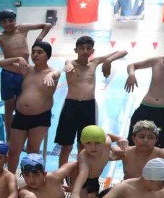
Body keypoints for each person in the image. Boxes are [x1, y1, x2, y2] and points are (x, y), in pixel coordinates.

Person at [55, 36, 128, 166]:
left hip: (88, 107)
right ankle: (61, 175)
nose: (85, 51)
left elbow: (123, 51)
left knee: (84, 145)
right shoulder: (70, 63)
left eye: (88, 48)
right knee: (66, 146)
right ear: (76, 50)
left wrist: (108, 61)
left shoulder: (94, 63)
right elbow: (68, 63)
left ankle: (80, 173)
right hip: (71, 106)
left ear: (92, 51)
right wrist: (68, 65)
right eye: (82, 48)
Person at [0, 10, 52, 136]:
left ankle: (20, 133)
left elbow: (47, 25)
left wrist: (39, 39)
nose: (8, 24)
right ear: (0, 24)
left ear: (15, 21)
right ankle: (9, 136)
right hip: (9, 73)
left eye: (11, 20)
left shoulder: (22, 28)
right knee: (9, 108)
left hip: (24, 74)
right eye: (4, 22)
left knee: (21, 107)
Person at [4, 41, 60, 172]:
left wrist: (49, 75)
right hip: (20, 116)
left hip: (40, 117)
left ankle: (32, 181)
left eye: (40, 52)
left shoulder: (52, 72)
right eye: (33, 52)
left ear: (48, 55)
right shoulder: (26, 69)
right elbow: (1, 64)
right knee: (13, 151)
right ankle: (10, 179)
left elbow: (56, 74)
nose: (35, 55)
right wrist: (18, 59)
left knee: (32, 152)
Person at [68, 125, 128, 198]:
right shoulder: (84, 157)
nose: (93, 147)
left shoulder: (107, 142)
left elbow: (108, 135)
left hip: (94, 177)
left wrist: (120, 138)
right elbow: (83, 174)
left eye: (97, 143)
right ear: (82, 143)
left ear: (103, 142)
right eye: (88, 143)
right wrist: (75, 193)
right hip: (79, 180)